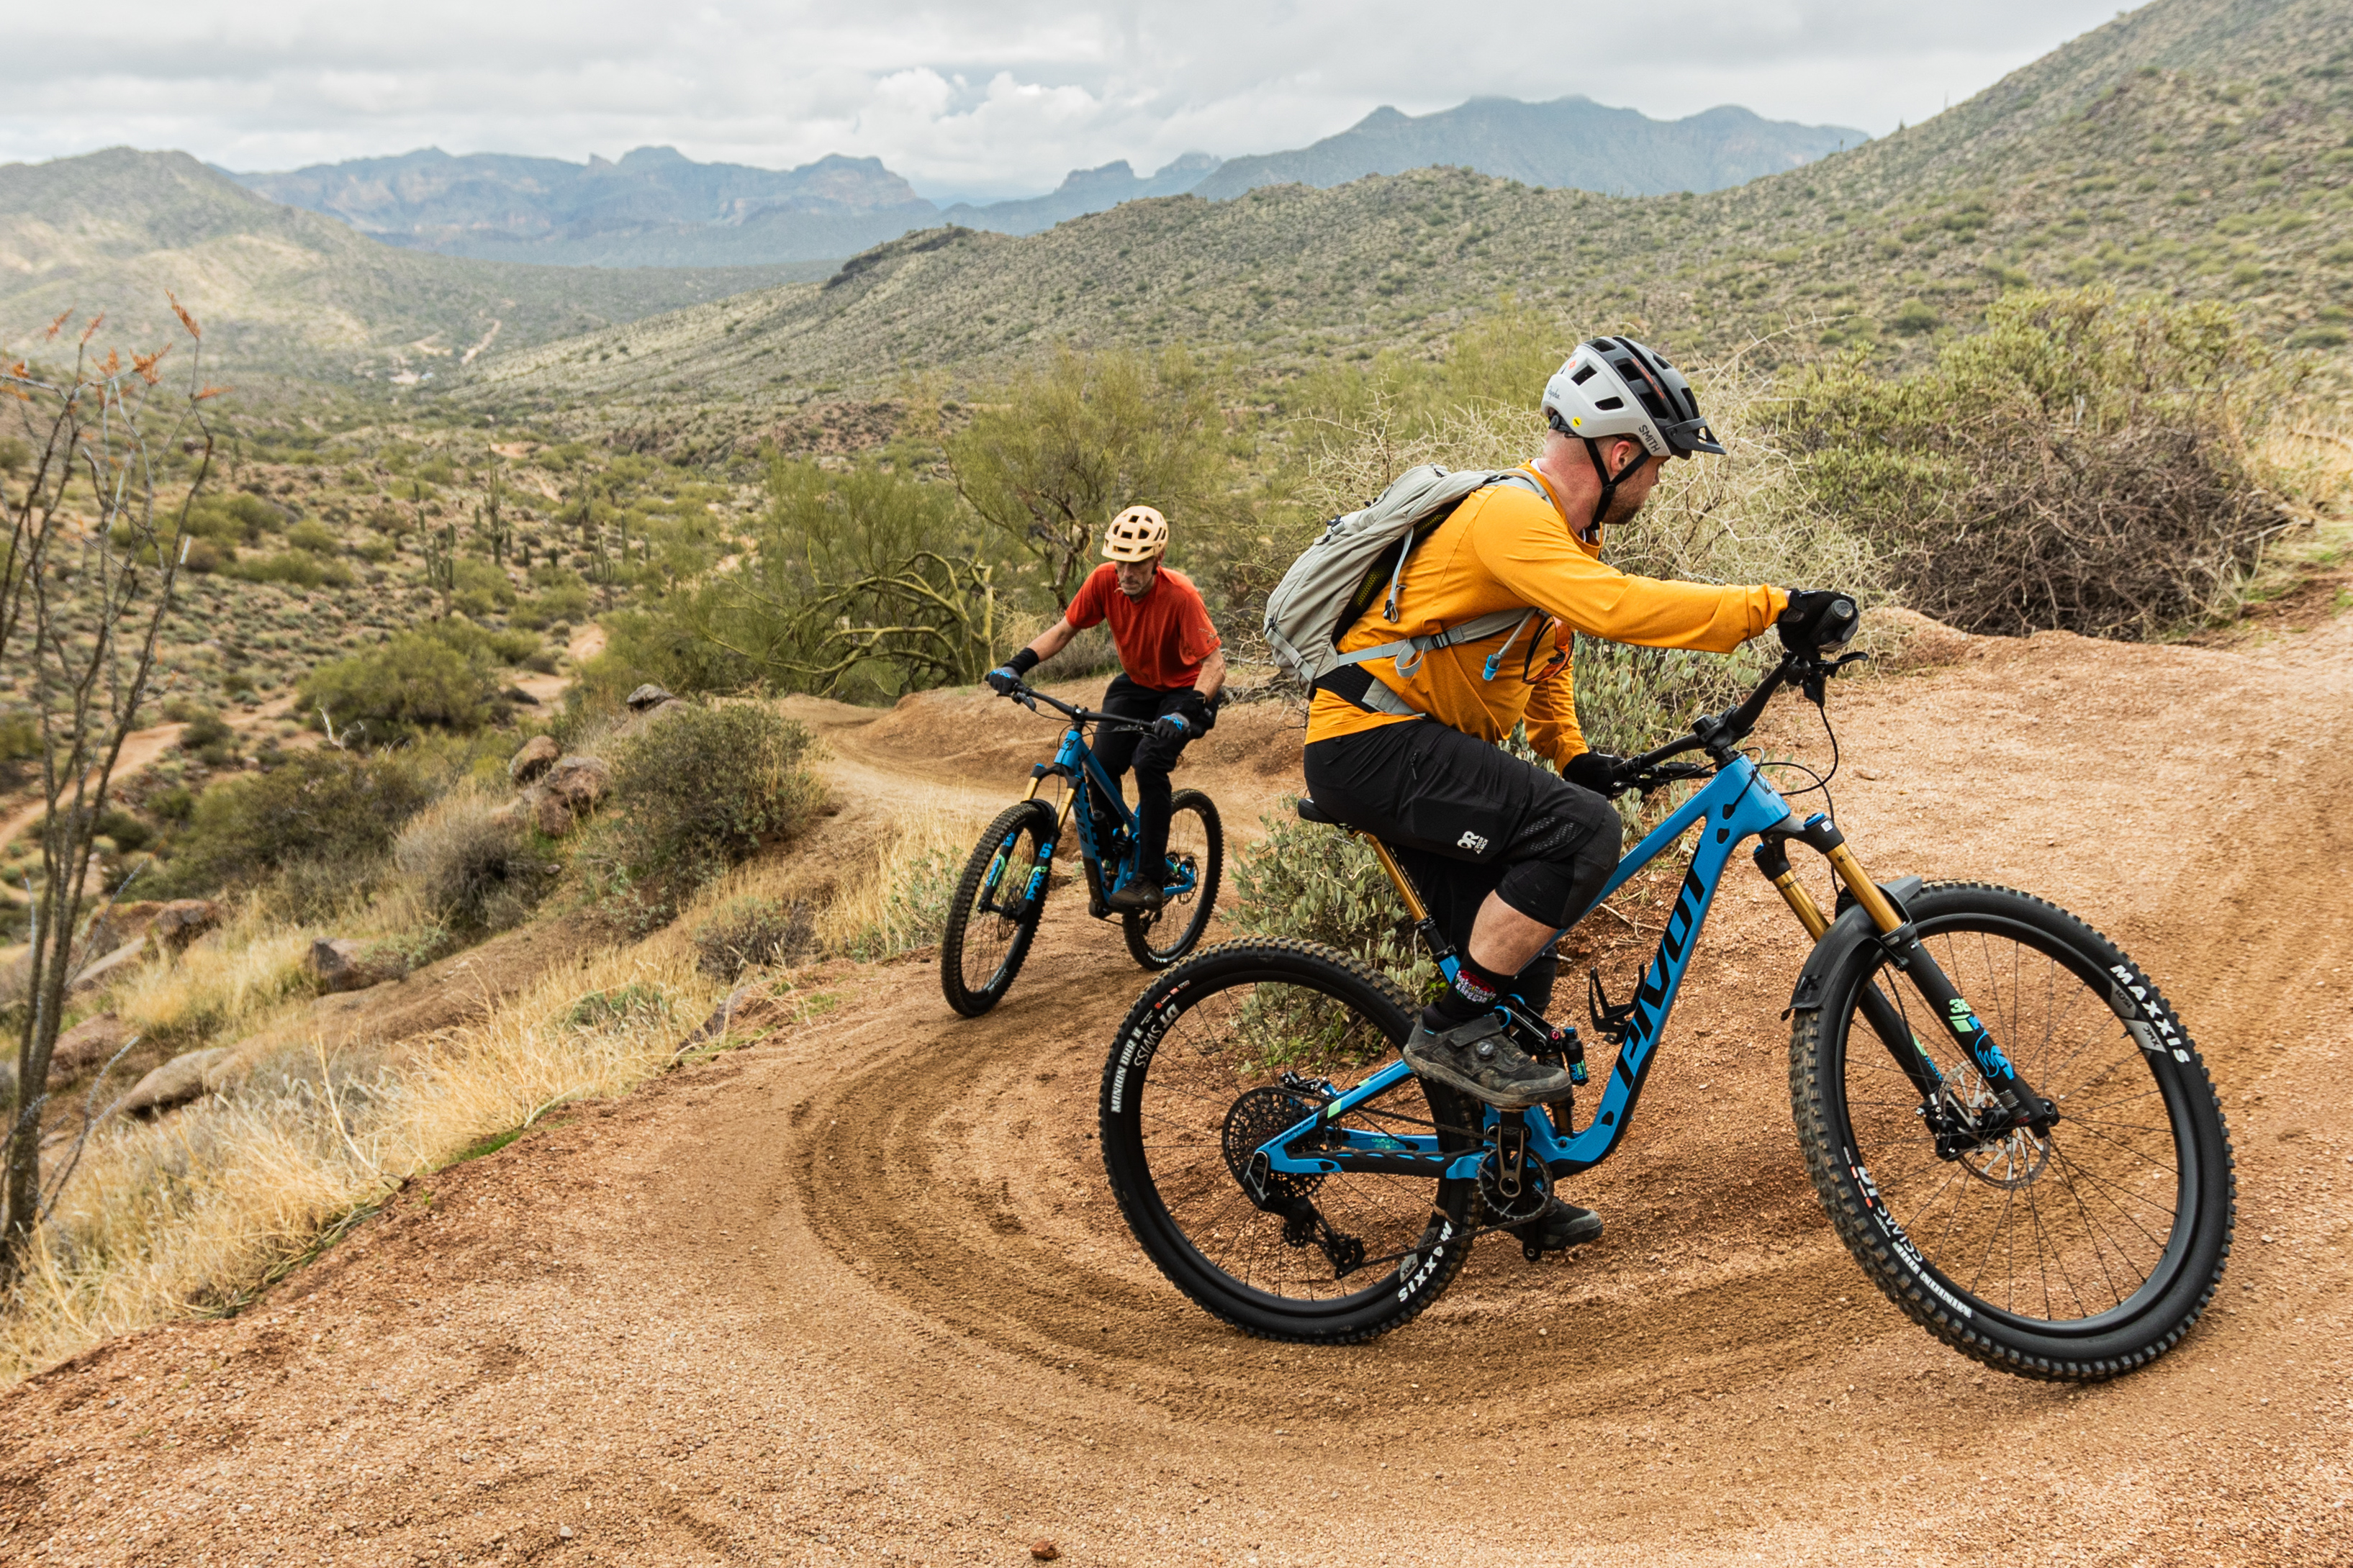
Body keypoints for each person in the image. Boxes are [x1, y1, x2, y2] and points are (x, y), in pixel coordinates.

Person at [1300, 335, 1853, 1249]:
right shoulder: (1510, 516)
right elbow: (1613, 608)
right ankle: (1447, 1030)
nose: (1657, 484)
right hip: (1373, 743)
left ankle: (1509, 1182)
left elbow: (1548, 649)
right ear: (1619, 450)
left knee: (1519, 963)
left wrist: (1571, 751)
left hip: (1416, 746)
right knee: (1577, 836)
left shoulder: (1563, 533)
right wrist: (1769, 606)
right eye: (1660, 465)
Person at [986, 506, 1227, 914]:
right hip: (1136, 685)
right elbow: (1064, 631)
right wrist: (1015, 665)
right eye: (1120, 561)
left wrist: (1185, 712)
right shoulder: (1103, 582)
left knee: (1149, 761)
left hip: (1186, 693)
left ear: (1158, 559)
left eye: (1137, 564)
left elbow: (1215, 665)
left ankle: (1149, 877)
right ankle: (1116, 848)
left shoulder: (1181, 595)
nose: (1126, 573)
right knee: (1101, 761)